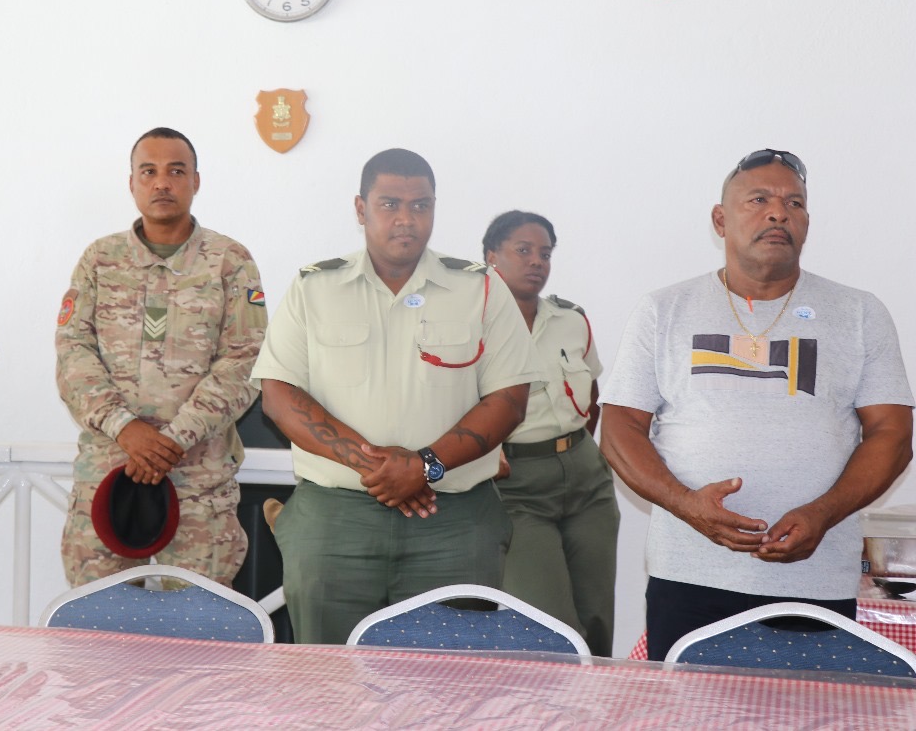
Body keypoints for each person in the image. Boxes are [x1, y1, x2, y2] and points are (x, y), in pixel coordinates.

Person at [601, 149, 914, 661]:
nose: (778, 213)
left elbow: (893, 435)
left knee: (808, 705)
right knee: (684, 704)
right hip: (690, 574)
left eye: (795, 203)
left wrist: (823, 513)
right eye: (759, 200)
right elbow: (618, 428)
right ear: (720, 220)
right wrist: (687, 505)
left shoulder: (859, 313)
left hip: (814, 576)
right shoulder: (663, 309)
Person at [252, 148, 544, 644]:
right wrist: (384, 469)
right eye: (389, 204)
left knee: (448, 677)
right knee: (329, 674)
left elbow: (510, 399)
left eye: (420, 205)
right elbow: (278, 396)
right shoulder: (314, 287)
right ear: (361, 209)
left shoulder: (481, 288)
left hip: (452, 520)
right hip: (336, 520)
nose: (406, 219)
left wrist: (424, 466)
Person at [56, 127, 267, 587]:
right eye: (148, 172)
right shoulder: (100, 260)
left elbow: (245, 361)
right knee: (97, 623)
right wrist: (125, 428)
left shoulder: (229, 261)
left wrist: (172, 441)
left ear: (196, 181)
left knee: (198, 626)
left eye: (176, 171)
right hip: (108, 474)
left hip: (199, 482)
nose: (162, 183)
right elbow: (73, 354)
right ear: (132, 183)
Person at [482, 210, 619, 656]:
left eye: (545, 253)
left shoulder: (570, 319)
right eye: (523, 250)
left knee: (596, 616)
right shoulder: (468, 325)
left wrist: (579, 449)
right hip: (516, 484)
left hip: (585, 477)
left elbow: (591, 391)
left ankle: (594, 698)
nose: (536, 262)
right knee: (549, 623)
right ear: (492, 256)